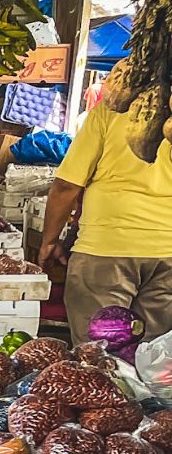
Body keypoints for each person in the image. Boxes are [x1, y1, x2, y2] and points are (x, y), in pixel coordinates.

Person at [40, 85, 172, 345]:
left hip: (107, 247)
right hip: (167, 252)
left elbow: (67, 186)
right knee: (151, 359)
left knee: (98, 356)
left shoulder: (112, 110)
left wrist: (49, 241)